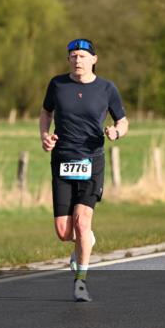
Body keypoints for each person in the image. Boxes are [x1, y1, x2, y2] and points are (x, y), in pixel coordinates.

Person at [39, 38, 128, 303]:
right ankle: (85, 241)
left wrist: (116, 132)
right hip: (62, 160)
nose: (78, 60)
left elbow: (123, 121)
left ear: (94, 60)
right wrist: (45, 136)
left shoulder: (106, 88)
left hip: (92, 160)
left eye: (83, 56)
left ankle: (80, 281)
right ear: (68, 59)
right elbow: (45, 113)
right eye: (74, 56)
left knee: (82, 221)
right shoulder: (57, 84)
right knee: (64, 232)